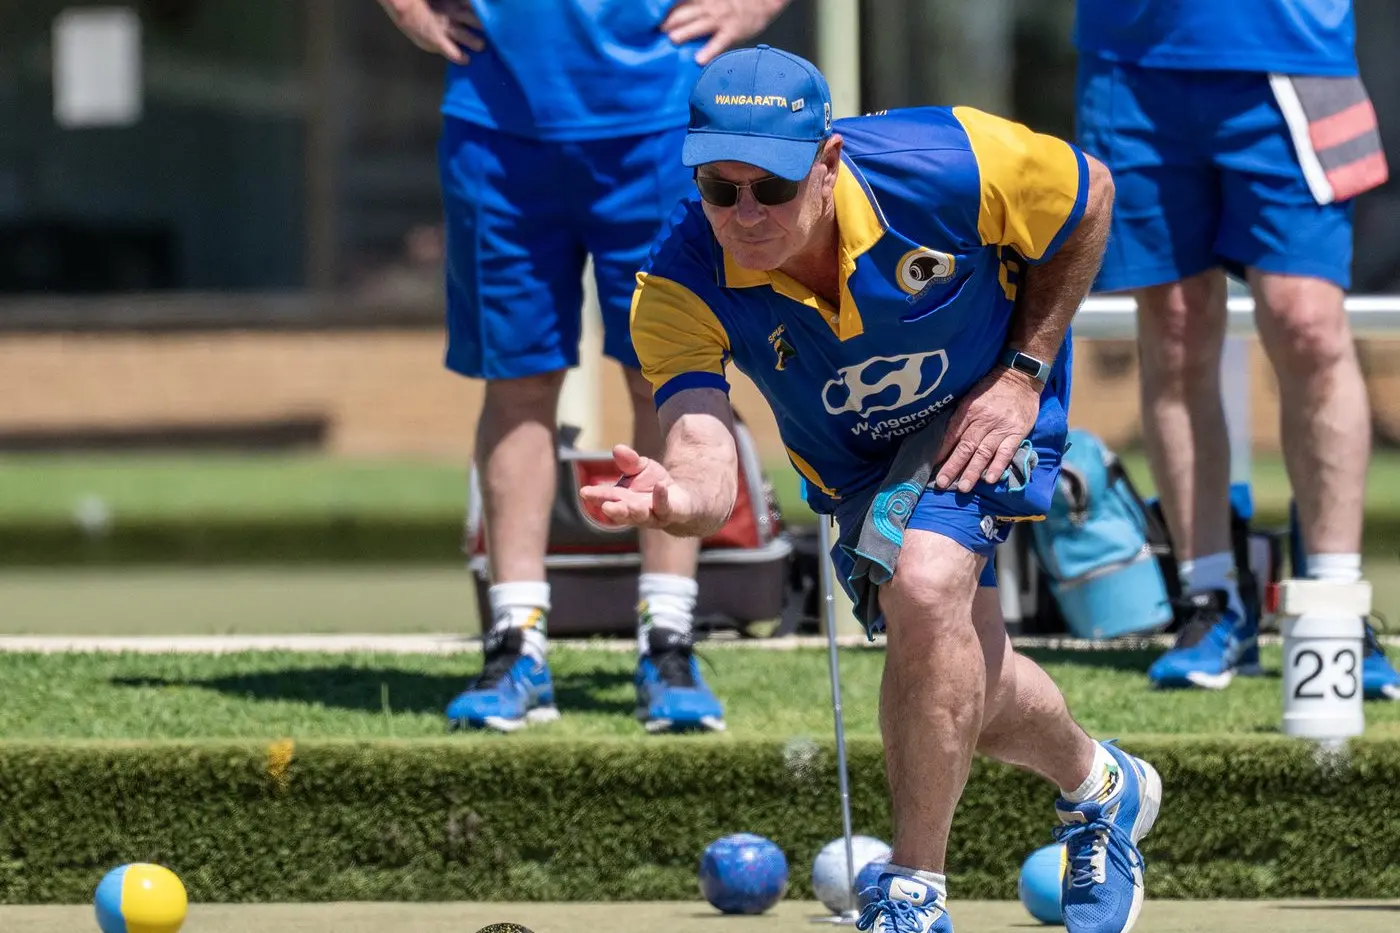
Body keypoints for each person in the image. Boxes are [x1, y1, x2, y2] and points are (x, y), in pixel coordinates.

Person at [582, 44, 1160, 933]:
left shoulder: (952, 163)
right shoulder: (674, 281)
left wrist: (1023, 370)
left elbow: (1091, 196)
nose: (743, 213)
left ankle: (913, 894)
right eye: (718, 187)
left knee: (925, 582)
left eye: (769, 188)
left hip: (984, 394)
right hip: (854, 466)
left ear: (826, 163)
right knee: (967, 675)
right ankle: (1102, 785)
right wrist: (676, 501)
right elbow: (703, 446)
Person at [377, 0, 794, 733]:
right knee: (518, 382)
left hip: (659, 122)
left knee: (668, 374)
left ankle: (668, 641)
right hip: (495, 119)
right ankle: (515, 643)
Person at [1072, 1, 1400, 697]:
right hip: (1132, 58)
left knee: (1308, 320)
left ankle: (1335, 607)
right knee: (1177, 327)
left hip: (1293, 51)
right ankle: (1212, 598)